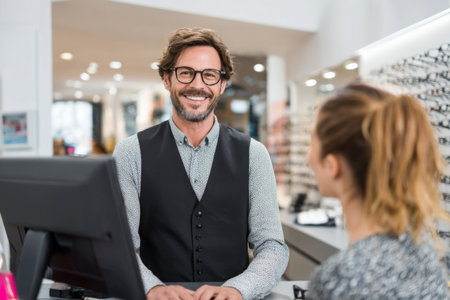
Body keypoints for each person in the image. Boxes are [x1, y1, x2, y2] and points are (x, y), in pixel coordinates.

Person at [113, 27, 289, 300]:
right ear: (167, 78)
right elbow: (120, 246)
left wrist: (239, 289)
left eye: (209, 75)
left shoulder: (254, 154)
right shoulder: (130, 153)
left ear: (222, 84)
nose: (198, 85)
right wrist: (152, 288)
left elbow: (272, 246)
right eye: (186, 72)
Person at [306, 83, 449, 299]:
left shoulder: (339, 278)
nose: (308, 156)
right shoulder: (428, 260)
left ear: (332, 165)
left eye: (312, 141)